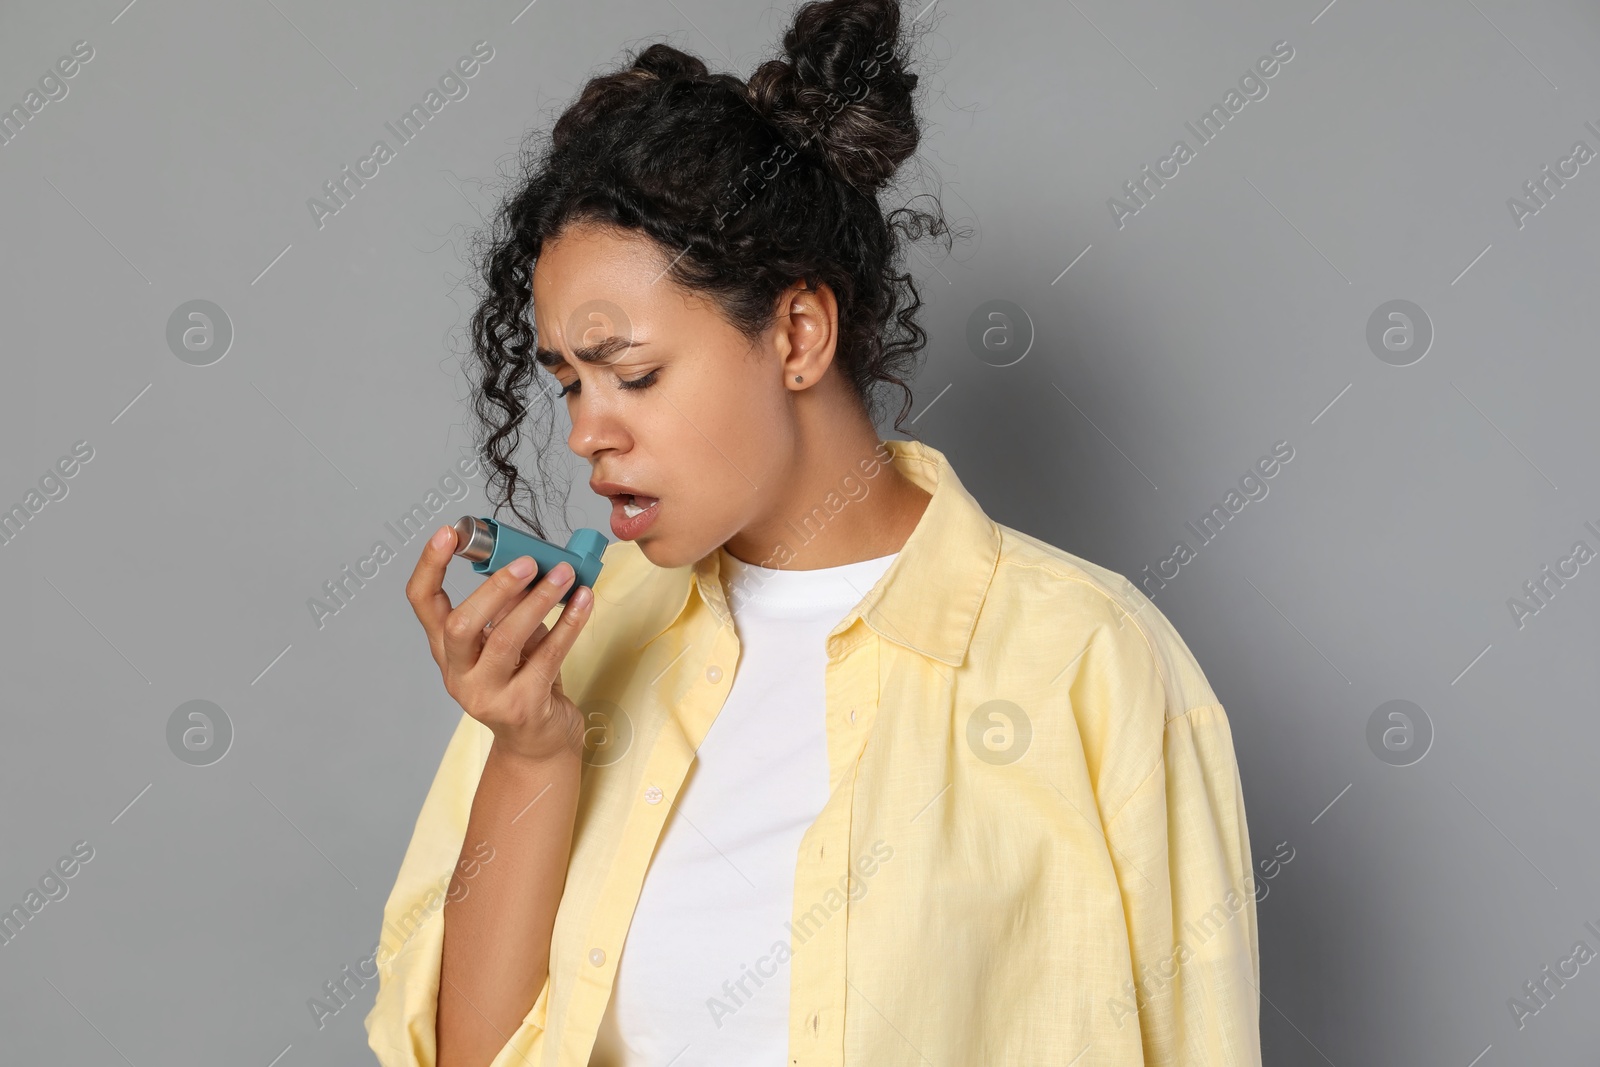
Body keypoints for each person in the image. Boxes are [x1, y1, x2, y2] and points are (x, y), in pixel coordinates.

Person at [364, 0, 1261, 1064]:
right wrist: (530, 752)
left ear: (796, 333)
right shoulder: (576, 656)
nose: (584, 433)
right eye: (566, 382)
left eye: (633, 374)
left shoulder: (1086, 660)